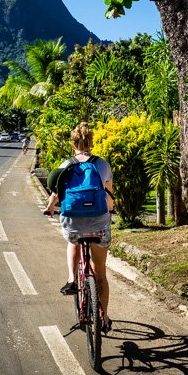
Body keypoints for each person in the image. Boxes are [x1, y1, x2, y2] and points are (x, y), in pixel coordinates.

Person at [43, 122, 114, 331]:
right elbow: (109, 197)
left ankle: (72, 279)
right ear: (91, 142)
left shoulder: (67, 164)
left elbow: (56, 193)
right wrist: (108, 210)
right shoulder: (102, 165)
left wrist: (49, 208)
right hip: (99, 223)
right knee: (100, 272)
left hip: (74, 223)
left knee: (72, 239)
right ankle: (104, 317)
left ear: (73, 144)